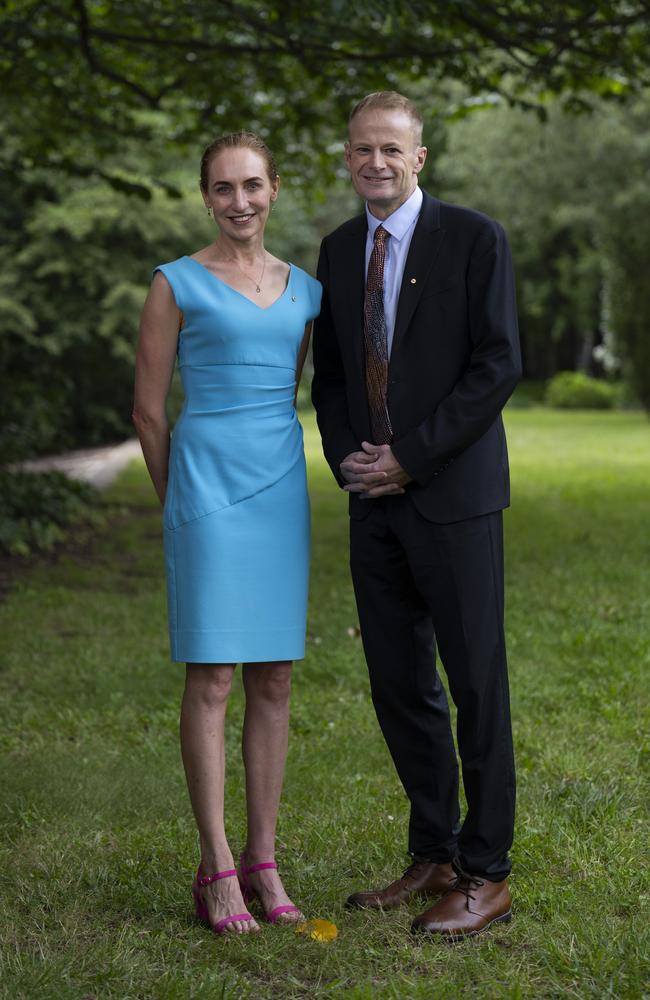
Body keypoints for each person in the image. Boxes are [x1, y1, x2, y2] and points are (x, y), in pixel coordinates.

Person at [311, 92, 521, 939]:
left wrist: (412, 455)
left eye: (392, 150)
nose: (376, 163)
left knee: (475, 684)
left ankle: (488, 873)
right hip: (375, 504)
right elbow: (329, 376)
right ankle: (433, 852)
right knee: (400, 685)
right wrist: (352, 461)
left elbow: (498, 363)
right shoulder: (334, 250)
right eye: (362, 149)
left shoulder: (474, 239)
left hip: (454, 498)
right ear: (348, 157)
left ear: (420, 157)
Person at [133, 132, 321, 936]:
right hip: (204, 492)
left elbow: (295, 386)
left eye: (251, 185)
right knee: (212, 679)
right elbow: (147, 411)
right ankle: (216, 867)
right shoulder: (174, 284)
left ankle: (264, 858)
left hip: (279, 489)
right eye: (222, 188)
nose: (238, 201)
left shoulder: (307, 290)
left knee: (273, 677)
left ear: (274, 189)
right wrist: (181, 502)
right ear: (205, 196)